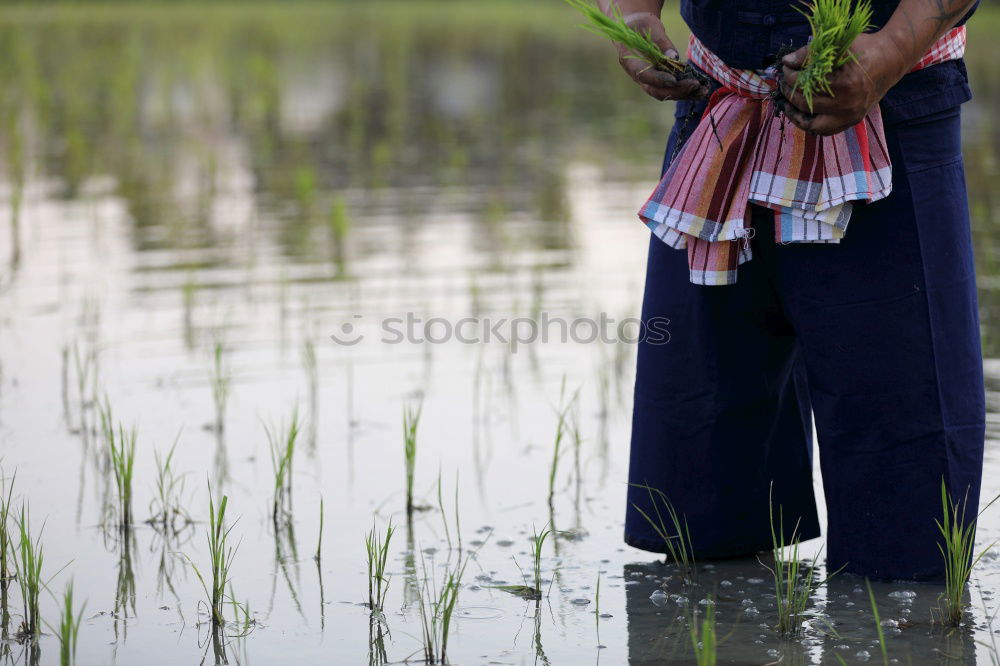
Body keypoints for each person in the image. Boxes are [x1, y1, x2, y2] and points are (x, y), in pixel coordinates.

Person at [608, 0, 986, 581]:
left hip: (891, 109)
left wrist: (886, 53)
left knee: (908, 522)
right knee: (700, 508)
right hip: (716, 109)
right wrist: (631, 18)